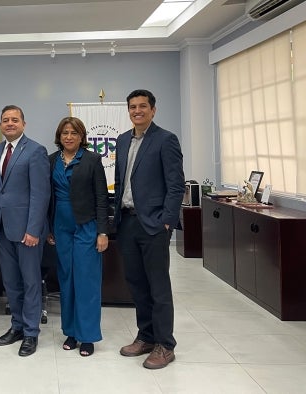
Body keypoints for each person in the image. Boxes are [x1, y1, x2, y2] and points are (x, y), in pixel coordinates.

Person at [114, 89, 184, 369]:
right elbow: (121, 182)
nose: (137, 111)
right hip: (127, 222)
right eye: (132, 107)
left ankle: (165, 344)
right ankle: (146, 336)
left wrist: (167, 221)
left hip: (153, 224)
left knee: (158, 286)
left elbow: (175, 184)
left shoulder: (165, 140)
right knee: (136, 284)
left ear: (153, 110)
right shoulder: (121, 141)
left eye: (143, 106)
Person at [47, 116, 109, 357]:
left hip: (86, 226)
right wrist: (49, 228)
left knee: (87, 281)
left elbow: (102, 197)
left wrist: (103, 231)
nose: (69, 137)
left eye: (73, 133)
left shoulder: (92, 160)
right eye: (64, 133)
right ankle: (71, 332)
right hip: (60, 227)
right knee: (67, 280)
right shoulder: (52, 161)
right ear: (59, 136)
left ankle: (88, 336)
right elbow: (48, 198)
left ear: (82, 136)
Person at [0, 105, 50, 357]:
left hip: (28, 231)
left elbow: (40, 193)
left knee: (30, 283)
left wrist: (34, 229)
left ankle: (31, 333)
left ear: (24, 124)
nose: (10, 124)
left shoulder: (35, 151)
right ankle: (16, 326)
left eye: (15, 120)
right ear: (1, 125)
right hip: (3, 229)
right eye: (5, 120)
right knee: (11, 283)